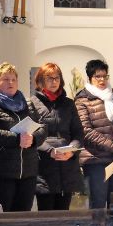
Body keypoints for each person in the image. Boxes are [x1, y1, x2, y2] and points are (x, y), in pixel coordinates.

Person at [0, 62, 47, 212]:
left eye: (13, 79)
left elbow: (43, 127)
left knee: (22, 219)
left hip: (27, 172)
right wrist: (16, 139)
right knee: (4, 219)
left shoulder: (27, 103)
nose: (11, 83)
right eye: (6, 79)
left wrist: (33, 139)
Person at [75, 59, 113, 209]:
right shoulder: (82, 101)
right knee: (98, 204)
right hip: (95, 160)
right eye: (97, 76)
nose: (102, 80)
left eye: (104, 76)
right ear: (90, 78)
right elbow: (85, 131)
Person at [32, 63, 85, 211]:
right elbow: (32, 134)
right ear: (41, 81)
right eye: (49, 78)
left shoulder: (69, 104)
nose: (54, 81)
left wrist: (72, 150)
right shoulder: (32, 103)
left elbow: (78, 132)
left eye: (57, 78)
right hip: (44, 166)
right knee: (47, 214)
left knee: (64, 213)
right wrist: (50, 150)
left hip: (67, 165)